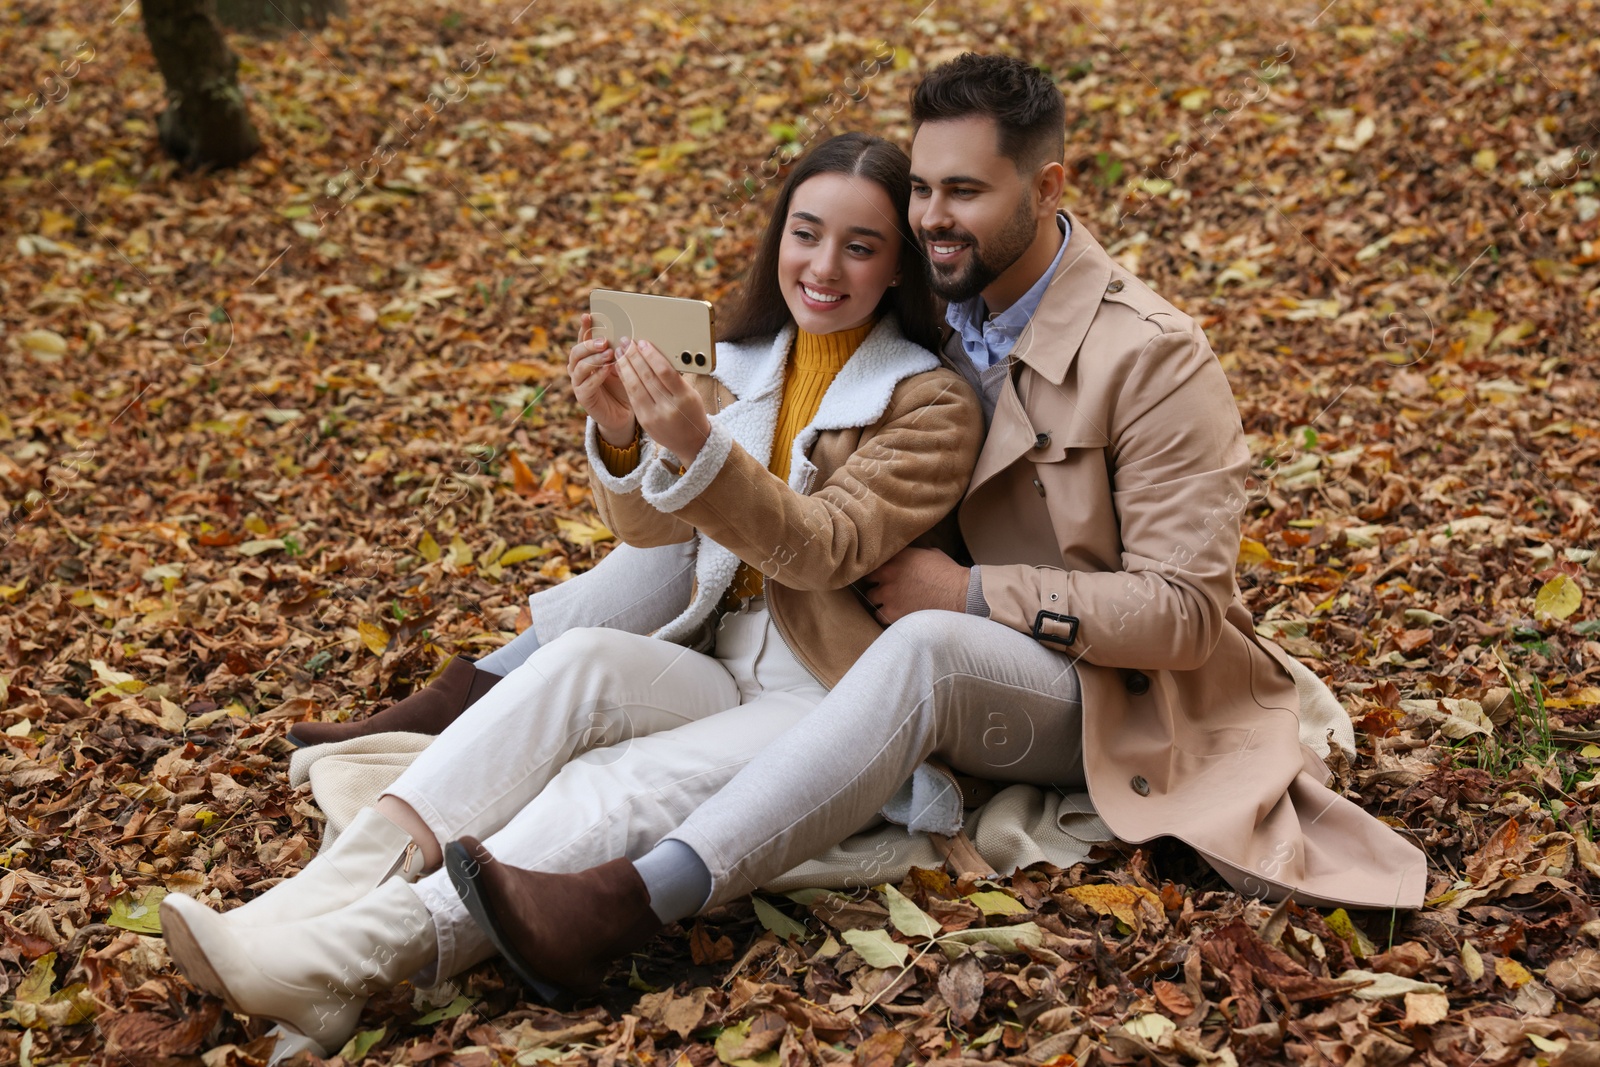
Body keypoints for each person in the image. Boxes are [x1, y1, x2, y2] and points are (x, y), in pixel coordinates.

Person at [441, 53, 1430, 997]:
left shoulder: (1154, 357)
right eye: (921, 189)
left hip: (1111, 688)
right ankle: (469, 694)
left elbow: (1182, 614)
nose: (931, 217)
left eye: (964, 191)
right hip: (890, 644)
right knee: (706, 559)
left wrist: (968, 591)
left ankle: (625, 902)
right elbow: (783, 426)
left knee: (925, 645)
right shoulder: (932, 317)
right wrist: (639, 406)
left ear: (1047, 188)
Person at [158, 131, 983, 1054]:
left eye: (860, 246)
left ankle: (340, 960)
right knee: (580, 660)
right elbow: (656, 531)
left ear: (897, 269)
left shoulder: (931, 405)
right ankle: (286, 920)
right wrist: (626, 436)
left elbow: (822, 549)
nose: (823, 266)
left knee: (614, 781)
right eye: (805, 233)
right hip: (725, 653)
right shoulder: (745, 362)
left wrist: (697, 446)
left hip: (832, 693)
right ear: (777, 239)